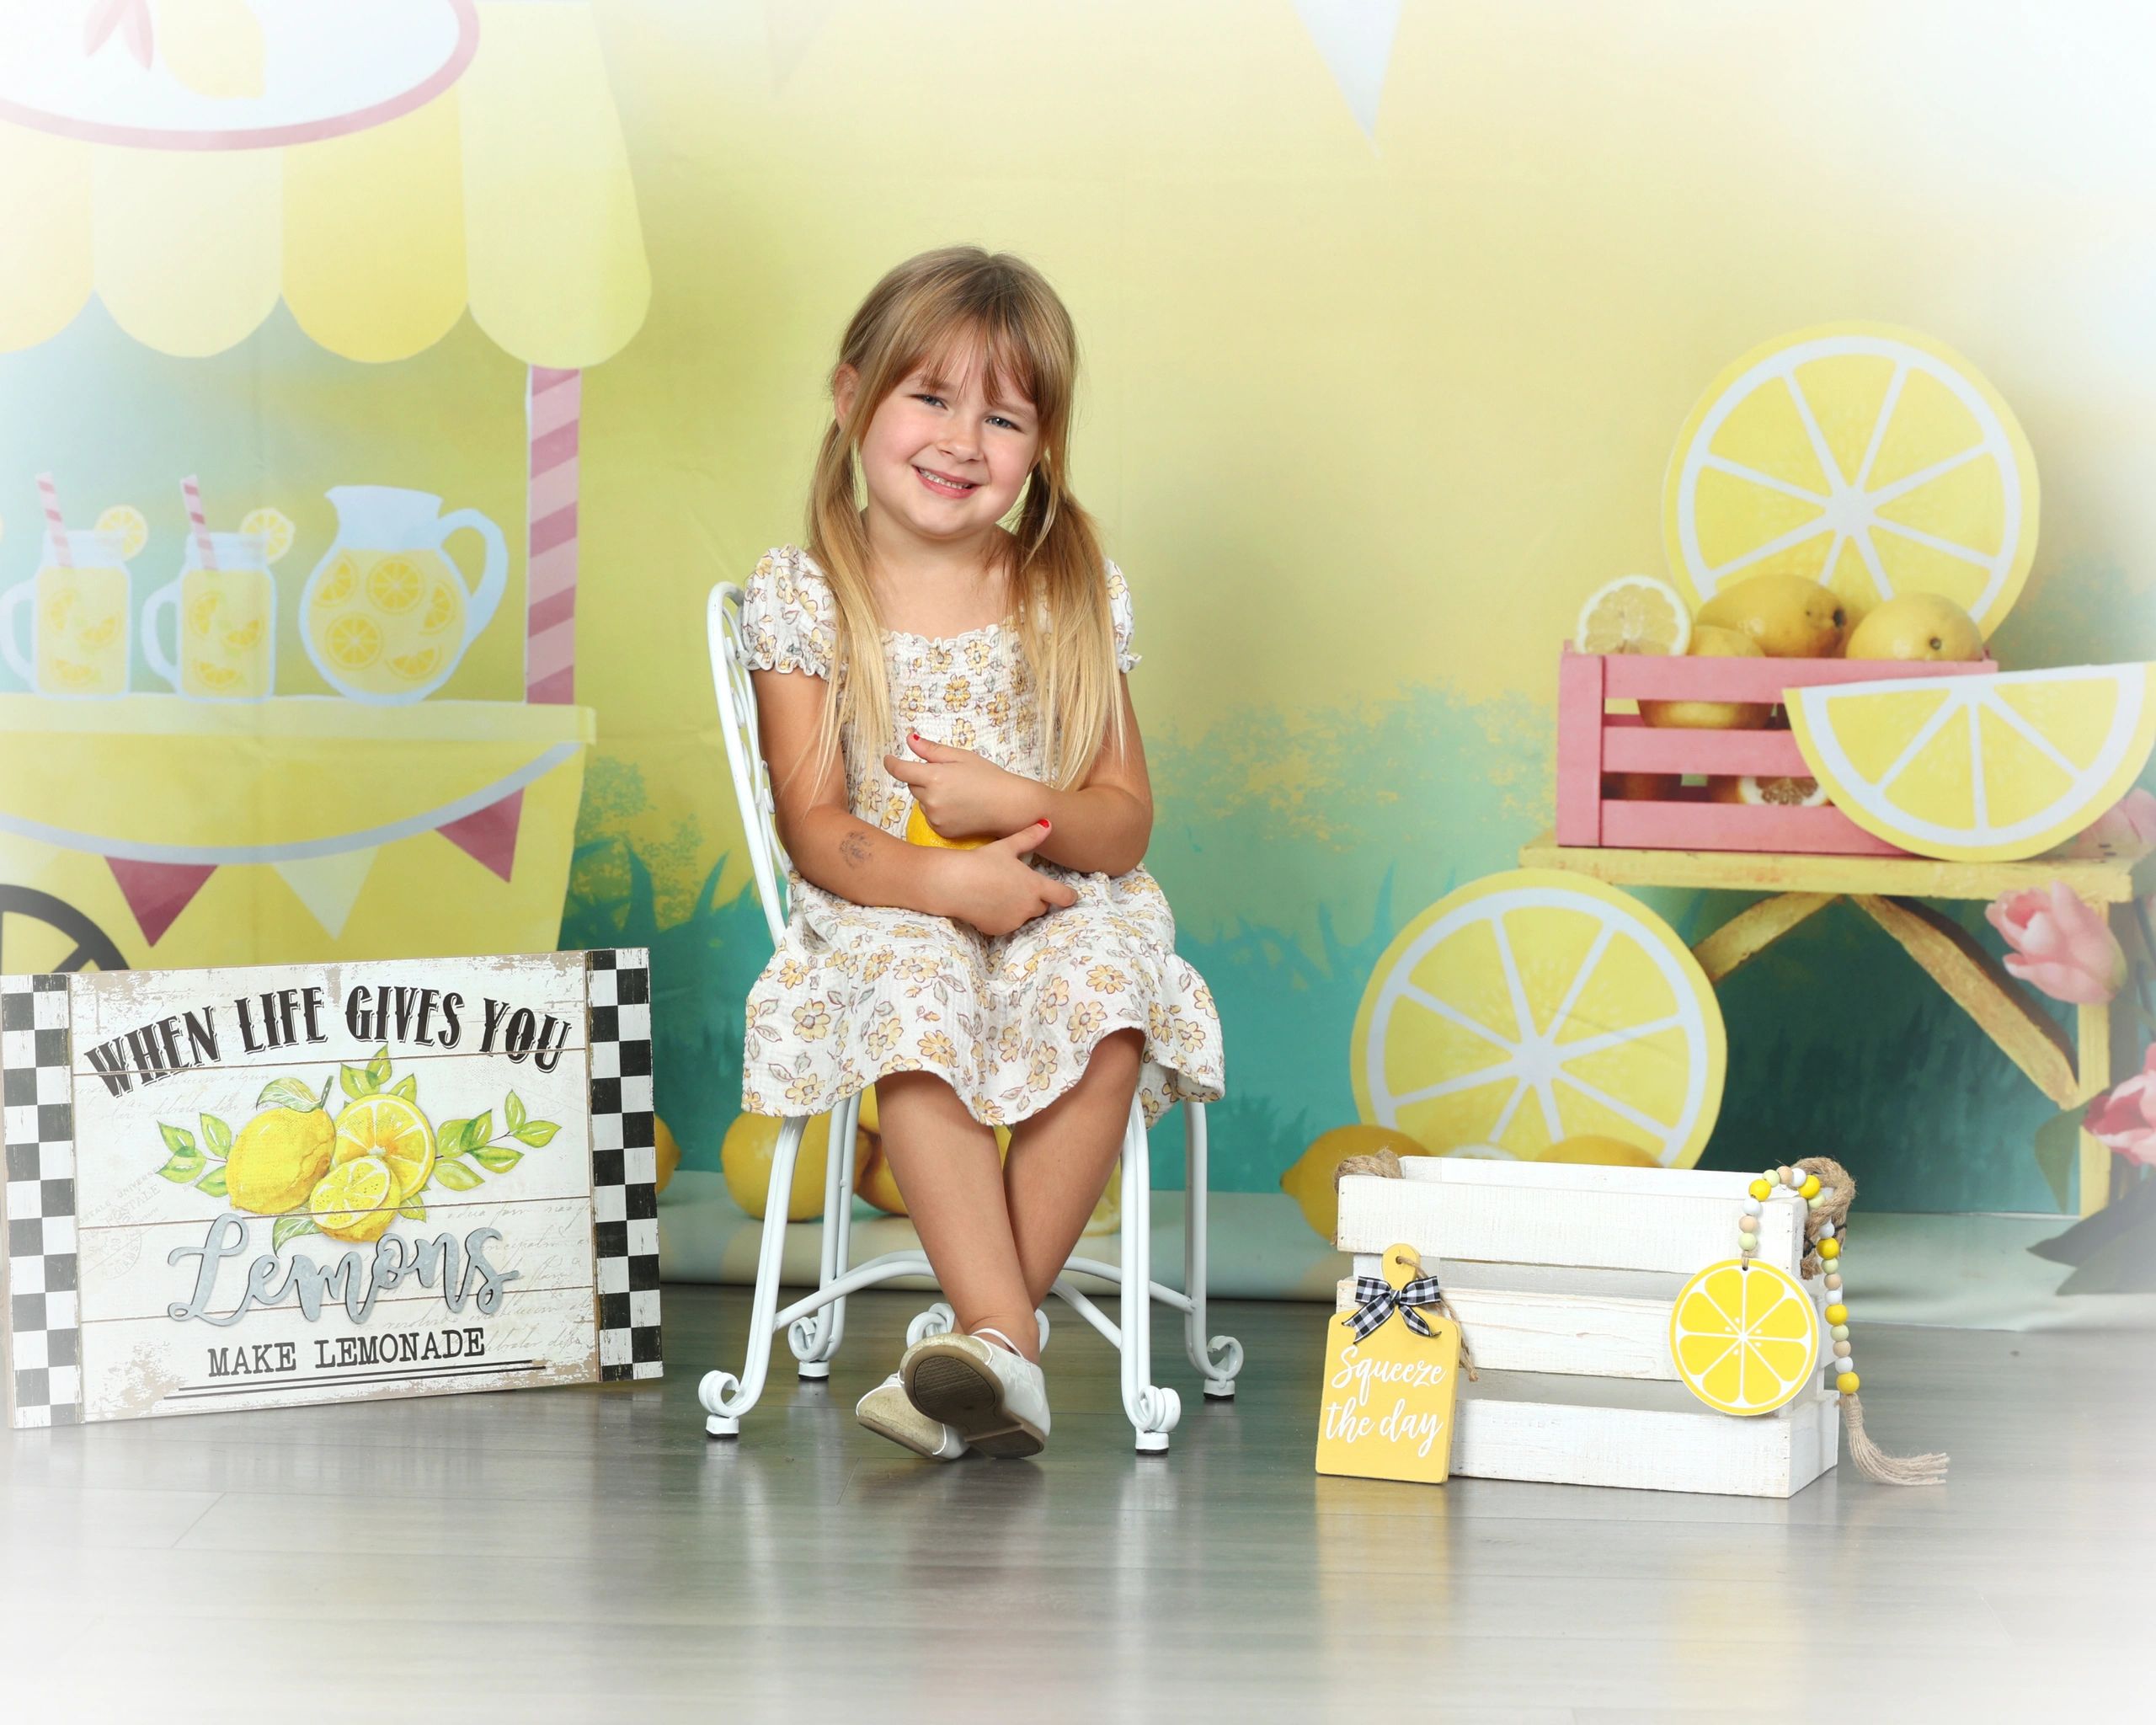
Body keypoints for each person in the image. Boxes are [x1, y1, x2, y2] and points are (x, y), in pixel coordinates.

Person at [739, 246, 1224, 1460]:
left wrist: (1020, 803)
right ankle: (1005, 1334)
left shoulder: (1064, 589)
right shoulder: (804, 594)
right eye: (930, 398)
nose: (962, 440)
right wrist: (946, 880)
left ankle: (982, 1361)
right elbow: (817, 833)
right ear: (853, 398)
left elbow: (1123, 823)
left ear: (1041, 446)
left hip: (1061, 903)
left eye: (1002, 417)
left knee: (1111, 988)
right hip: (887, 906)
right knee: (912, 993)